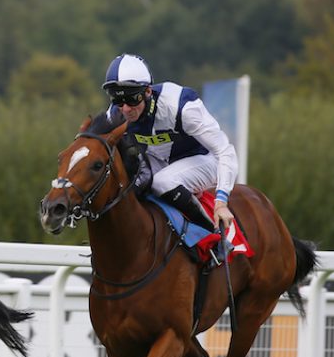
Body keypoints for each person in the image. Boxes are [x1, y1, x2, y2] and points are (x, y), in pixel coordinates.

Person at [101, 53, 237, 233]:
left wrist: (221, 202)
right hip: (162, 163)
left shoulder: (181, 107)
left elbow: (224, 151)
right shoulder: (115, 115)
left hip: (205, 160)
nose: (125, 109)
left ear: (148, 91)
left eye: (132, 99)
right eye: (117, 100)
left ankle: (212, 235)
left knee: (162, 181)